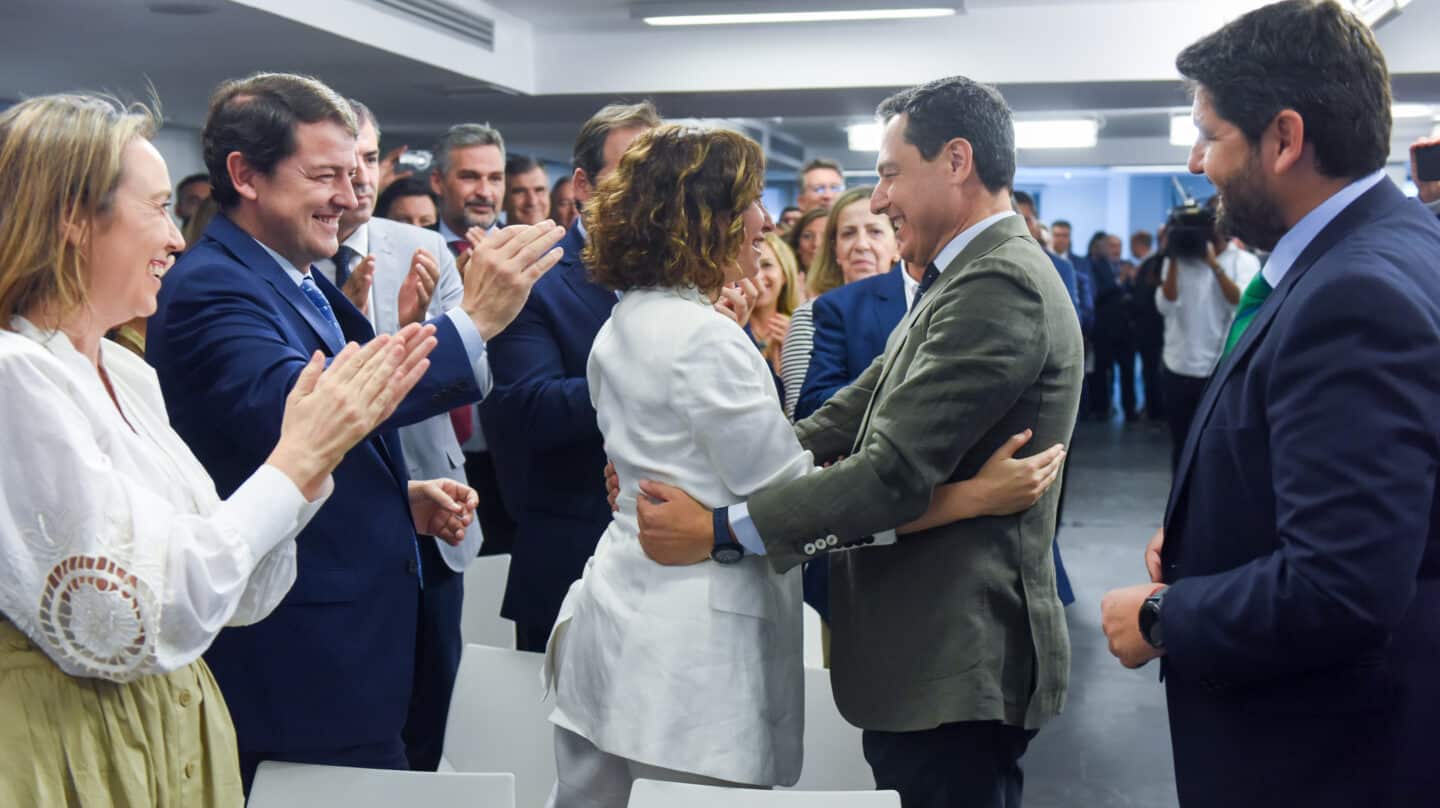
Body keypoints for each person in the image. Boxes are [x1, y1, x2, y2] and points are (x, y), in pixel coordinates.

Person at [550, 122, 1065, 808]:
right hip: (685, 650)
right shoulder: (707, 337)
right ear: (705, 220)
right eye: (750, 203)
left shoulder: (627, 320)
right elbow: (816, 504)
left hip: (617, 615)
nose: (766, 221)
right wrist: (970, 498)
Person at [0, 92, 443, 807]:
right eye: (157, 209)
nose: (178, 239)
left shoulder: (126, 372)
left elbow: (234, 588)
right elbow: (129, 620)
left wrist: (304, 463)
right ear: (73, 222)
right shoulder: (13, 375)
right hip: (72, 745)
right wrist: (295, 464)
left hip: (168, 730)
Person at [146, 72, 563, 790]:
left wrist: (394, 497)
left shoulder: (293, 274)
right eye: (325, 175)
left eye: (356, 171)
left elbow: (286, 447)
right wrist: (475, 322)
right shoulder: (215, 286)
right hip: (296, 656)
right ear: (245, 175)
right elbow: (307, 412)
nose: (350, 195)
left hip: (351, 639)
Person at [1099, 3, 1440, 806]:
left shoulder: (1353, 293)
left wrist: (1161, 615)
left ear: (1284, 139)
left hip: (1325, 754)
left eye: (1210, 135)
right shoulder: (1383, 246)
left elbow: (1340, 587)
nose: (1194, 159)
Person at [311, 98, 480, 772]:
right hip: (334, 521)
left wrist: (405, 338)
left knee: (432, 700)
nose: (354, 180)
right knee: (352, 716)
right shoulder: (285, 259)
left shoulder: (423, 247)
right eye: (338, 164)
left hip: (430, 510)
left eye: (367, 161)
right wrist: (374, 335)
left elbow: (474, 377)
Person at [481, 100, 662, 652]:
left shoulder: (687, 271)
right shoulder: (533, 272)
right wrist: (655, 380)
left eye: (658, 177)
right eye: (629, 174)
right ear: (582, 185)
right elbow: (526, 407)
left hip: (676, 563)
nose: (646, 193)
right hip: (571, 557)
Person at [428, 122, 520, 556]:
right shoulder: (412, 250)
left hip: (515, 457)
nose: (485, 190)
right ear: (437, 182)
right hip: (435, 453)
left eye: (495, 178)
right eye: (470, 177)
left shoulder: (527, 252)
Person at [1154, 202, 1258, 469]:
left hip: (1220, 367)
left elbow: (1240, 303)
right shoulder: (1179, 259)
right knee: (1181, 444)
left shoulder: (1243, 261)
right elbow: (1165, 304)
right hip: (1178, 363)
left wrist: (1214, 265)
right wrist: (1174, 255)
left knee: (1216, 446)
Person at [792, 185, 904, 421]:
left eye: (875, 231)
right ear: (835, 249)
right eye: (848, 233)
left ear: (897, 245)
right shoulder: (814, 311)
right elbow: (805, 410)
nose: (861, 244)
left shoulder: (921, 299)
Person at [1086, 230, 1136, 420]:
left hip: (1126, 330)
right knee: (1103, 372)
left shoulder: (1127, 266)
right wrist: (1120, 282)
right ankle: (1102, 409)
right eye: (1112, 246)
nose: (1116, 250)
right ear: (1104, 247)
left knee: (1128, 372)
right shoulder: (1096, 266)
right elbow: (1097, 294)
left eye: (1119, 246)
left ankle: (1129, 410)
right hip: (1104, 330)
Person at [749, 231, 799, 379]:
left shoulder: (801, 328)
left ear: (784, 274)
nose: (757, 276)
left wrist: (794, 354)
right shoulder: (729, 326)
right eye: (751, 266)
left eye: (767, 265)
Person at [504, 154, 550, 226]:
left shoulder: (564, 236)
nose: (532, 202)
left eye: (539, 190)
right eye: (520, 192)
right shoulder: (490, 237)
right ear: (503, 200)